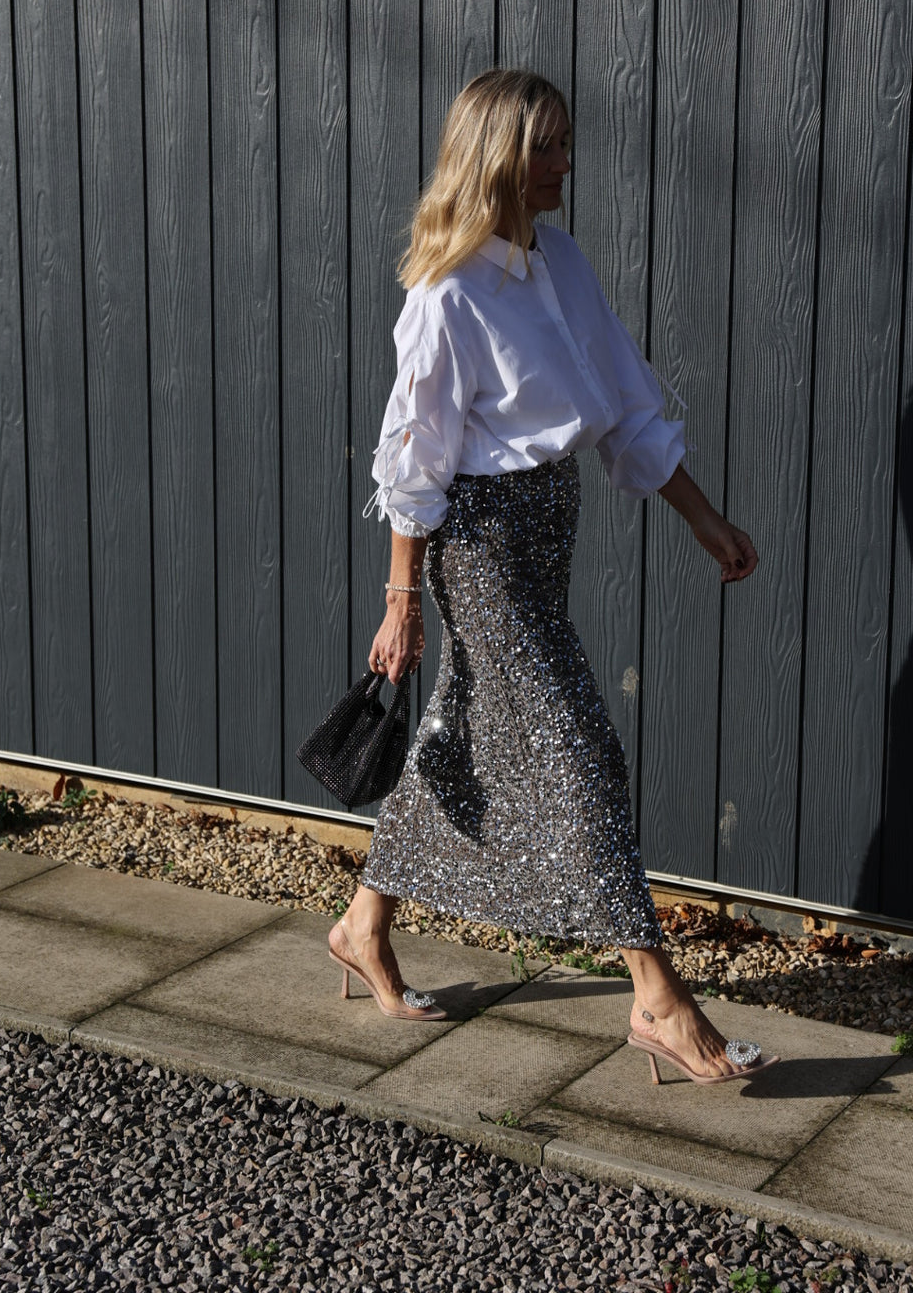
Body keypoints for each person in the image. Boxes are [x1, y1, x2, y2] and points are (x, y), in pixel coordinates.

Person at [328, 69, 777, 1084]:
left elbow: (621, 401)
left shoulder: (560, 262)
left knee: (460, 732)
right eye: (546, 148)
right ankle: (656, 999)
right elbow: (413, 458)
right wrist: (401, 601)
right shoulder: (446, 292)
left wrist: (704, 520)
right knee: (581, 746)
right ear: (496, 158)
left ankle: (363, 923)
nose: (565, 163)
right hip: (479, 545)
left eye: (565, 143)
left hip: (546, 529)